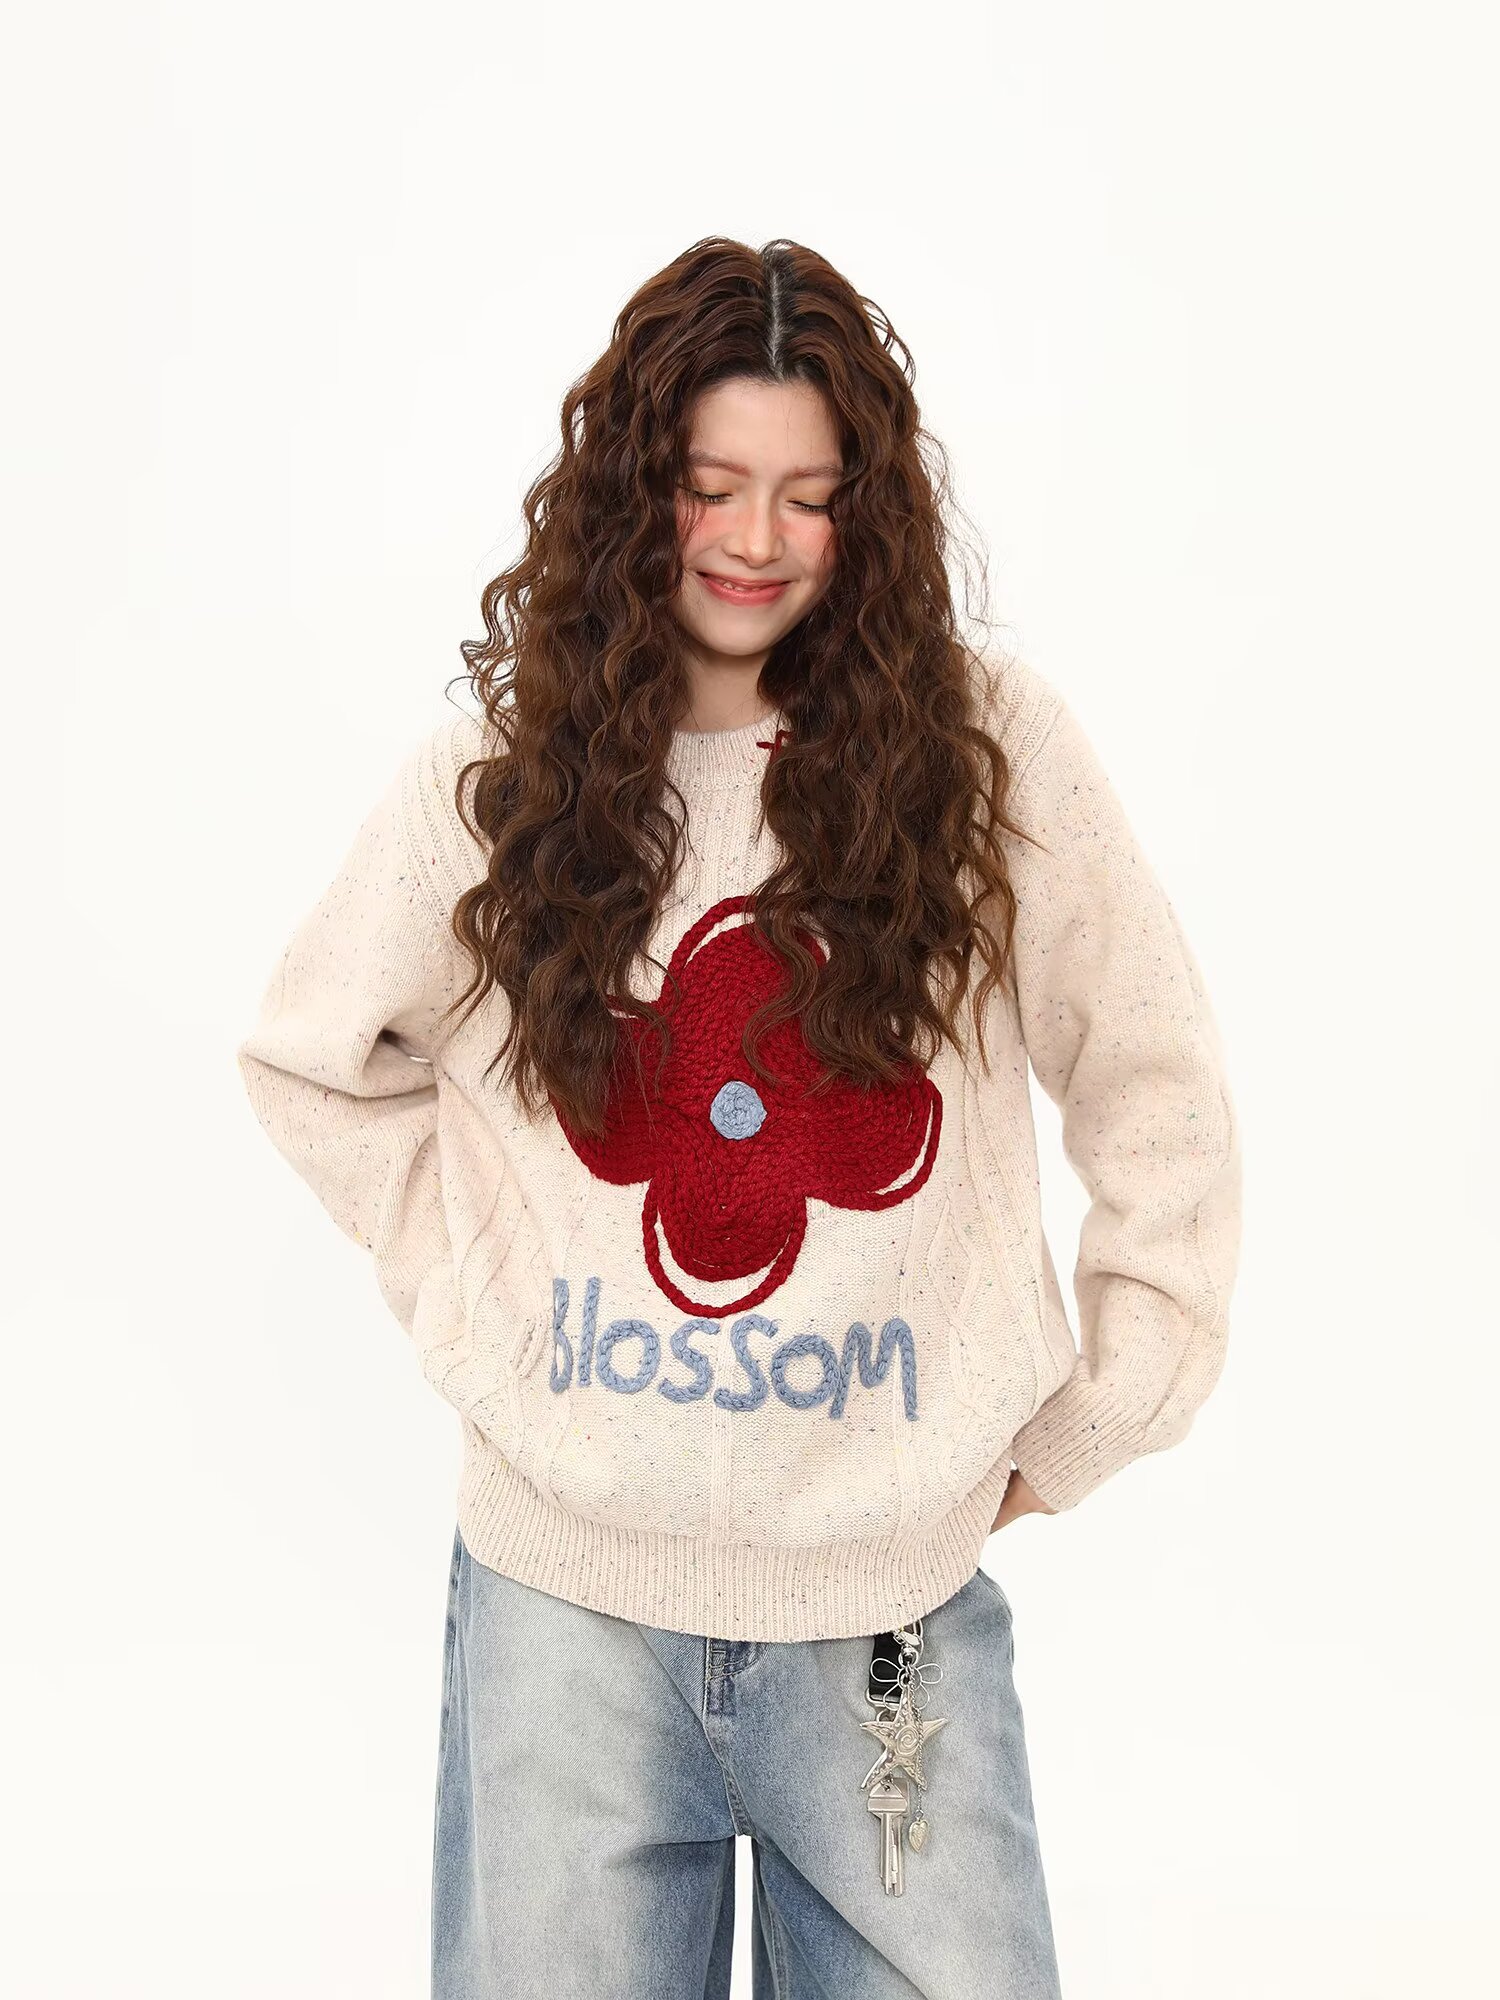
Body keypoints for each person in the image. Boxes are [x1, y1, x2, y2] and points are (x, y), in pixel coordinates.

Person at [236, 235, 1242, 1999]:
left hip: (889, 1622)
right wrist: (479, 1302)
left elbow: (1153, 1077)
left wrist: (1101, 1408)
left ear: (870, 510)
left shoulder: (988, 754)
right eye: (711, 485)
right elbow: (314, 1057)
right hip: (563, 1624)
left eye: (809, 494)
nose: (757, 539)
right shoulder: (503, 775)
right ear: (635, 487)